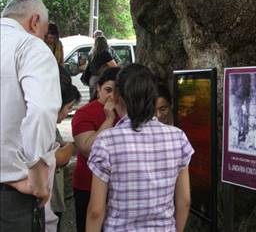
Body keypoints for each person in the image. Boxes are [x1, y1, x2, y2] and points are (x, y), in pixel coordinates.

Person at [86, 64, 194, 231]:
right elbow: (184, 201)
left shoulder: (106, 142)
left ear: (116, 97)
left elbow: (96, 210)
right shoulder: (178, 137)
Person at [0, 0, 61, 231]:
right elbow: (42, 110)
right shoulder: (29, 45)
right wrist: (38, 175)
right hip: (12, 197)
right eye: (45, 32)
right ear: (35, 21)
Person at [71, 67, 121, 232]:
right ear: (98, 88)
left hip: (119, 187)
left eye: (117, 91)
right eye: (108, 90)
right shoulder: (84, 113)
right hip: (88, 185)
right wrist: (109, 119)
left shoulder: (127, 111)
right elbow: (87, 148)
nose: (112, 96)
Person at [45, 66, 81, 232]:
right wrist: (71, 146)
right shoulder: (45, 125)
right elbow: (60, 157)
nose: (71, 110)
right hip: (47, 201)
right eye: (69, 106)